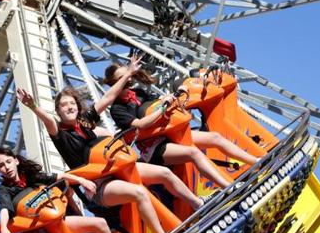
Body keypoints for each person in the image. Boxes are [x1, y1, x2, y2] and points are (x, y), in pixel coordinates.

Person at [17, 56, 205, 233]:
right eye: (64, 105)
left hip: (118, 169)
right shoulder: (60, 133)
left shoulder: (85, 121)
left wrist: (129, 73)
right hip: (100, 185)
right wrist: (33, 106)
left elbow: (108, 97)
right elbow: (48, 121)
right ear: (58, 111)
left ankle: (198, 205)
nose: (69, 107)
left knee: (164, 173)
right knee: (138, 192)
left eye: (72, 103)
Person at [103, 63, 259, 189]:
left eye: (129, 75)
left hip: (170, 133)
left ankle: (257, 162)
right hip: (154, 147)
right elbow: (141, 125)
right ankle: (229, 187)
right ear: (114, 84)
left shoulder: (138, 93)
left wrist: (175, 94)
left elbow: (159, 101)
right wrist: (164, 106)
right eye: (123, 78)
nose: (128, 80)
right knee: (194, 153)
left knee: (215, 137)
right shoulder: (117, 109)